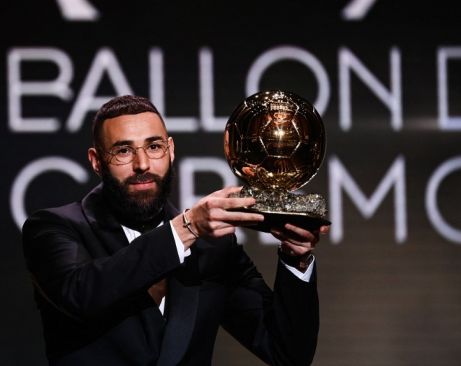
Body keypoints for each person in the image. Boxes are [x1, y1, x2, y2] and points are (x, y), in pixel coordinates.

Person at [22, 95, 328, 366]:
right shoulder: (55, 228)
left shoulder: (214, 249)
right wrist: (188, 227)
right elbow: (83, 295)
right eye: (123, 151)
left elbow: (287, 353)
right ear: (96, 161)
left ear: (170, 151)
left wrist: (295, 260)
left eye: (154, 147)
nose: (142, 164)